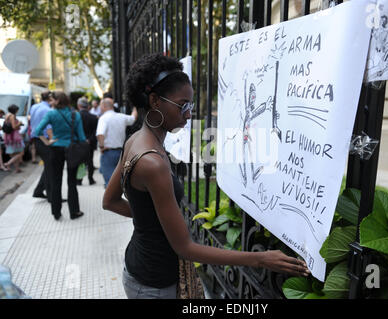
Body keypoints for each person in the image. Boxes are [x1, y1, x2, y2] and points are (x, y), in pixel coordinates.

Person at [102, 53, 310, 299]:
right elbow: (185, 248)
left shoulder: (136, 139)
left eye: (191, 106)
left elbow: (110, 201)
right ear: (155, 101)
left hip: (140, 267)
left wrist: (152, 218)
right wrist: (261, 259)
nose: (189, 115)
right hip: (154, 283)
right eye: (183, 105)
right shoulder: (152, 162)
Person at [34, 91, 86, 221]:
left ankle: (56, 213)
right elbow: (81, 137)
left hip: (56, 148)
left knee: (55, 181)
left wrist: (47, 141)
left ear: (57, 101)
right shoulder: (75, 115)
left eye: (52, 99)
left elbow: (37, 131)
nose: (51, 102)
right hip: (72, 149)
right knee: (72, 182)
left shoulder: (51, 113)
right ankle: (74, 212)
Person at [96, 97, 137, 187]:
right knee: (121, 181)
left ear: (103, 106)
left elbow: (100, 134)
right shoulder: (121, 117)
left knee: (110, 183)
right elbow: (133, 118)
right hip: (121, 152)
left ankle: (112, 200)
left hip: (108, 152)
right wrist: (135, 107)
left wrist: (101, 147)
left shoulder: (103, 118)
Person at [30, 91, 54, 200]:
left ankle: (39, 191)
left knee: (48, 167)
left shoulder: (34, 107)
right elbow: (49, 129)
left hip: (36, 139)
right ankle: (50, 196)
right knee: (50, 168)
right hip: (44, 140)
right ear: (50, 98)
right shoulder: (48, 110)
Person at [76, 97, 98, 185]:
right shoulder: (93, 117)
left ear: (79, 106)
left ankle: (79, 180)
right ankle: (90, 179)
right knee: (90, 161)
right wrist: (89, 139)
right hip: (90, 142)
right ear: (87, 106)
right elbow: (96, 131)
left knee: (80, 161)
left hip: (79, 143)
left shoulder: (76, 116)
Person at [3, 104, 25, 173]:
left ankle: (17, 169)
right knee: (21, 152)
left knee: (14, 153)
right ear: (15, 110)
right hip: (14, 136)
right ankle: (8, 163)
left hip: (8, 136)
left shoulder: (7, 115)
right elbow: (14, 127)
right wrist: (19, 123)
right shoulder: (12, 116)